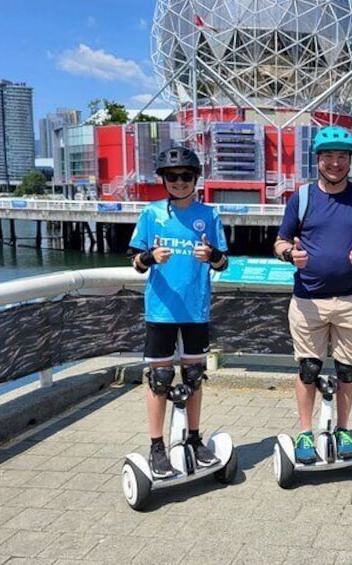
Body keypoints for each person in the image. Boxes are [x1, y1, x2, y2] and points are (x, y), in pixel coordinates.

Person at [273, 125, 352, 464]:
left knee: (348, 369)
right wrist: (289, 254)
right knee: (308, 368)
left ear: (351, 160)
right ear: (317, 160)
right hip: (307, 298)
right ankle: (306, 433)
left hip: (351, 299)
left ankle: (344, 430)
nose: (335, 163)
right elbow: (280, 241)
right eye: (328, 156)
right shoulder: (301, 198)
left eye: (341, 156)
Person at [128, 146, 229, 478]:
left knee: (194, 377)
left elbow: (224, 262)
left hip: (196, 310)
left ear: (196, 178)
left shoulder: (209, 215)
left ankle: (194, 440)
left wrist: (211, 255)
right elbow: (135, 263)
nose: (180, 182)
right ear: (164, 180)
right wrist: (150, 257)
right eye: (173, 177)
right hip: (160, 311)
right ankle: (157, 446)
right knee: (159, 379)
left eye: (186, 176)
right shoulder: (151, 214)